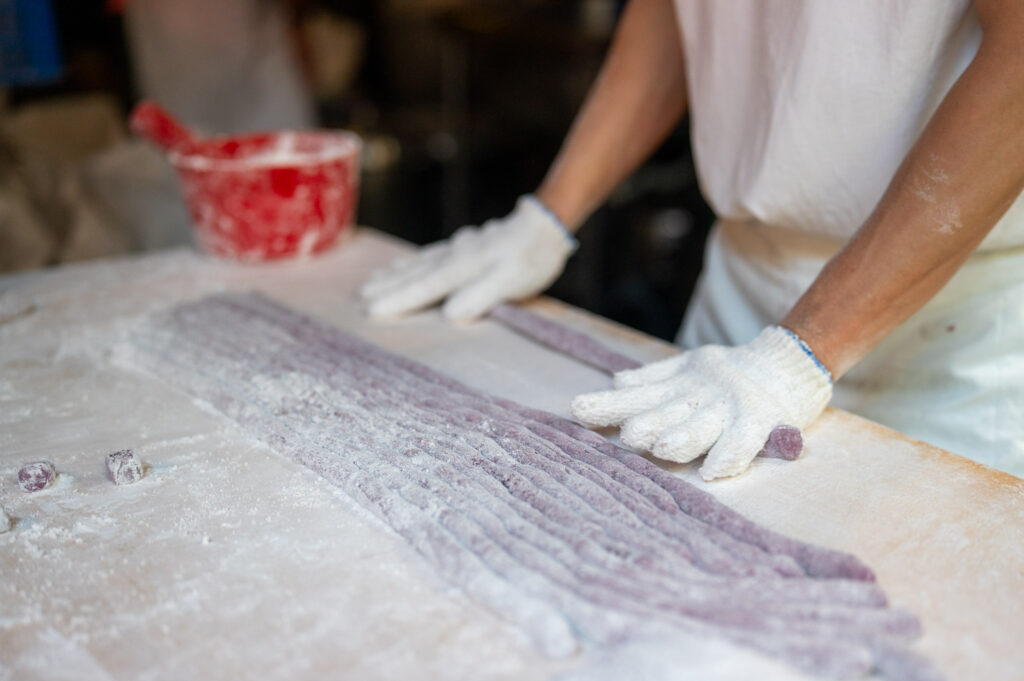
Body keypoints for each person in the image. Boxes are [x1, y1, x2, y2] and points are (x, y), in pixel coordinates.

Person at [362, 0, 1024, 480]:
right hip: (734, 321)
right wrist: (547, 216)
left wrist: (799, 355)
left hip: (947, 337)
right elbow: (677, 15)